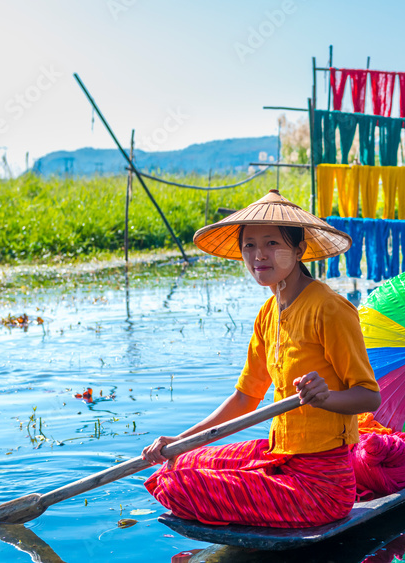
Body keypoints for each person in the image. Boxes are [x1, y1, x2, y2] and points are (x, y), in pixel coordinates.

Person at [142, 189, 381, 528]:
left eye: (271, 244)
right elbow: (245, 397)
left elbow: (369, 396)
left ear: (298, 251)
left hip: (322, 484)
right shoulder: (268, 312)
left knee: (176, 486)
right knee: (176, 465)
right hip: (280, 456)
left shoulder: (329, 309)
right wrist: (180, 441)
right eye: (249, 245)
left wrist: (326, 398)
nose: (258, 256)